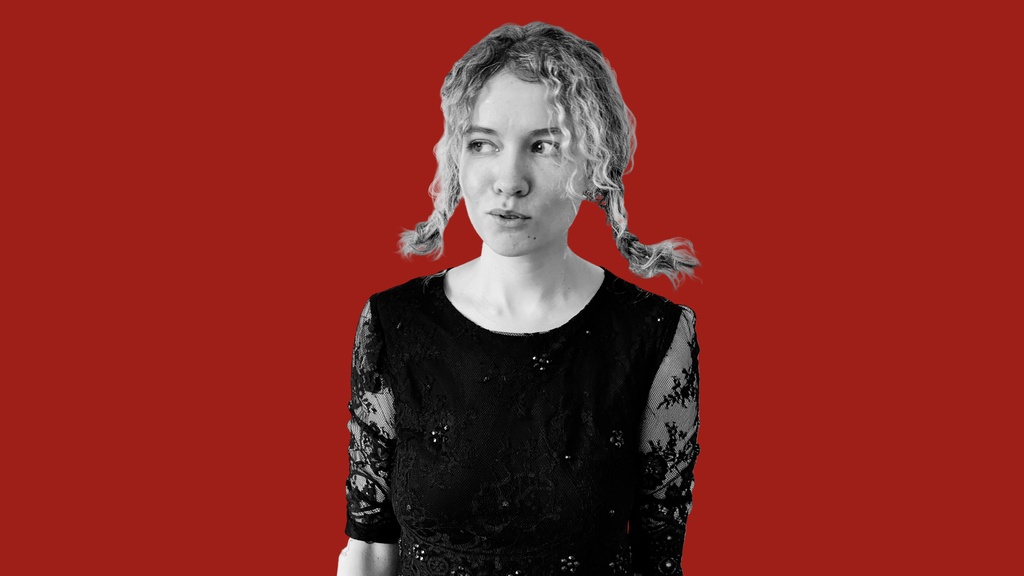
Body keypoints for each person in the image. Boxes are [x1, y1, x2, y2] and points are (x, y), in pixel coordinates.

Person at [338, 22, 701, 576]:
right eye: (483, 143)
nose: (509, 180)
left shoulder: (654, 334)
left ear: (595, 163)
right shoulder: (393, 323)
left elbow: (661, 560)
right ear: (457, 159)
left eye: (544, 146)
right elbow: (368, 546)